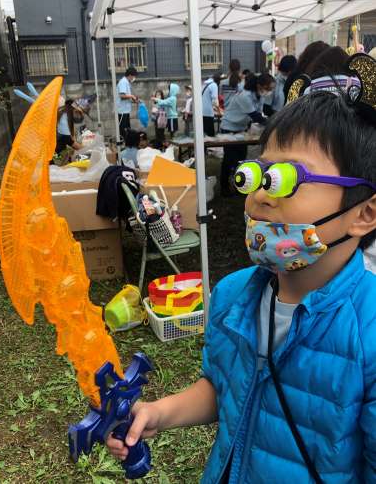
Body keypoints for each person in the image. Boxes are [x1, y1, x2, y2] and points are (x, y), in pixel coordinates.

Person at [107, 89, 376, 483]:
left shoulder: (368, 328)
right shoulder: (232, 295)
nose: (261, 195)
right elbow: (223, 387)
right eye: (257, 175)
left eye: (286, 179)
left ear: (364, 213)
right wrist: (158, 412)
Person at [219, 72, 275, 195]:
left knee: (240, 159)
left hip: (242, 129)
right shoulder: (245, 96)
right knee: (229, 159)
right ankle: (224, 187)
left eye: (271, 89)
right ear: (259, 86)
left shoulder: (260, 96)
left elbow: (259, 114)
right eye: (268, 88)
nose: (269, 91)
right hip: (229, 128)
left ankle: (239, 185)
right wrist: (274, 123)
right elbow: (255, 116)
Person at [116, 66, 139, 141]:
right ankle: (122, 144)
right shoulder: (123, 82)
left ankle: (127, 143)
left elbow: (126, 97)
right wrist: (132, 96)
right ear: (130, 75)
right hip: (122, 111)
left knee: (127, 129)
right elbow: (122, 96)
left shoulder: (126, 83)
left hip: (125, 110)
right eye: (134, 76)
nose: (134, 78)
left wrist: (134, 100)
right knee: (122, 130)